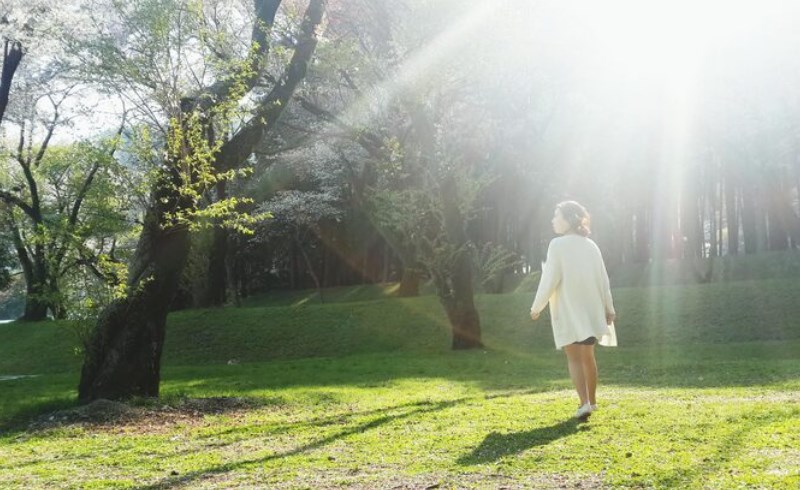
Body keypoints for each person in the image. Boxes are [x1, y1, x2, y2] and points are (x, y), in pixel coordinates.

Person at [530, 200, 617, 419]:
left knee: (574, 358)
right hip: (591, 308)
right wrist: (609, 308)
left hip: (569, 310)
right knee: (588, 356)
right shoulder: (591, 245)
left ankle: (584, 402)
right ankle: (593, 402)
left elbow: (550, 278)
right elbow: (603, 279)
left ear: (569, 220)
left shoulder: (557, 245)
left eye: (556, 216)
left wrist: (537, 306)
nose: (553, 220)